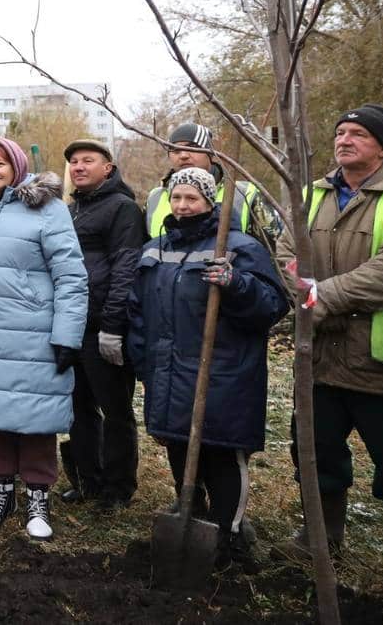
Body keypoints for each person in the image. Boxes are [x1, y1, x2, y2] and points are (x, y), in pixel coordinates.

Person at [278, 105, 383, 598]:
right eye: (340, 132)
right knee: (315, 451)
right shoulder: (312, 195)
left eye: (358, 134)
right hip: (323, 357)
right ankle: (320, 538)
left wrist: (322, 296)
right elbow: (287, 252)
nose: (345, 140)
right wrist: (304, 290)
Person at [129, 167, 288, 572]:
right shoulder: (155, 249)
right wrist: (140, 357)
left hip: (221, 372)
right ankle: (190, 513)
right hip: (168, 370)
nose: (182, 206)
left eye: (191, 199)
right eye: (177, 198)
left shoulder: (239, 246)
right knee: (180, 445)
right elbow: (139, 308)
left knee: (220, 452)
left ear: (210, 201)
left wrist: (237, 284)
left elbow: (272, 305)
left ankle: (231, 533)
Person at [0, 138, 87, 539]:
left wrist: (67, 334)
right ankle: (1, 491)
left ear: (17, 165)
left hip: (32, 331)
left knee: (34, 417)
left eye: (0, 163)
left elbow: (71, 275)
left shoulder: (47, 209)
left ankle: (38, 497)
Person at [59, 139, 146, 510]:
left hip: (102, 327)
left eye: (88, 161)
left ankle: (117, 487)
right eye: (74, 162)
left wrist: (113, 325)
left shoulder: (122, 208)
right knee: (78, 408)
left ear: (107, 167)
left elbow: (126, 267)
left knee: (115, 411)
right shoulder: (70, 209)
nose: (79, 167)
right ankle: (88, 480)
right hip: (71, 325)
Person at [144, 122, 277, 244]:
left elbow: (275, 253)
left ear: (210, 153)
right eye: (175, 150)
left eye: (193, 148)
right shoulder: (154, 198)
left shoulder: (244, 194)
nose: (183, 155)